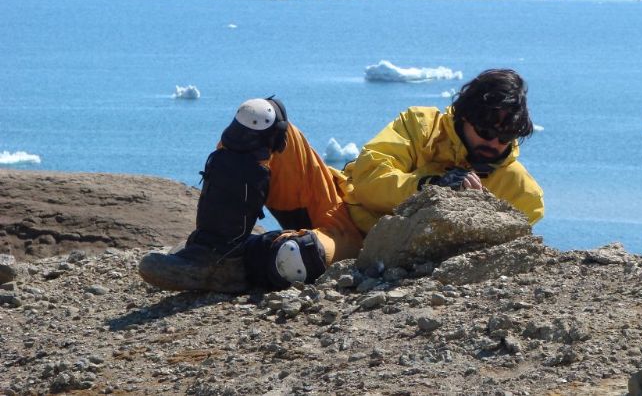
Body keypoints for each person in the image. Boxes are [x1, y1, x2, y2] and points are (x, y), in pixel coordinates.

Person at [138, 69, 544, 293]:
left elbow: (500, 247)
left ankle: (239, 265)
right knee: (260, 119)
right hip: (333, 193)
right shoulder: (419, 125)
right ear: (463, 117)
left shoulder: (521, 192)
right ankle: (209, 254)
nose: (493, 143)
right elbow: (368, 179)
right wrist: (430, 185)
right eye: (485, 130)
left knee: (295, 258)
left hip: (365, 240)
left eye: (505, 135)